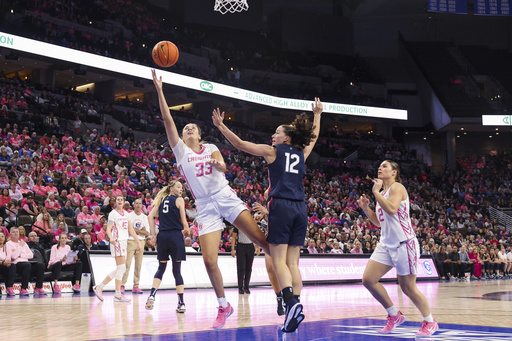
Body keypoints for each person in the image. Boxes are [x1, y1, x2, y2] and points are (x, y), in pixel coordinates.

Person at [152, 69, 269, 329]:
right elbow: (167, 119)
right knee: (209, 260)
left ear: (199, 135)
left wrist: (219, 165)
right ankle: (223, 305)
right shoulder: (181, 152)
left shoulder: (212, 147)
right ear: (181, 138)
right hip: (205, 206)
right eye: (185, 129)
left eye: (192, 127)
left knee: (262, 241)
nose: (188, 128)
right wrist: (160, 91)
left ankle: (284, 292)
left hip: (224, 195)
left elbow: (225, 168)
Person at [212, 97, 323, 332]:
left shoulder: (273, 152)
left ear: (287, 137)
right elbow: (313, 137)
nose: (273, 136)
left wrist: (222, 126)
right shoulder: (302, 152)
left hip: (281, 206)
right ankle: (296, 307)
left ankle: (290, 302)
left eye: (277, 132)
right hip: (300, 209)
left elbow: (241, 144)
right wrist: (318, 115)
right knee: (293, 263)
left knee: (278, 259)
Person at [357, 160, 438, 337]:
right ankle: (394, 314)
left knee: (408, 288)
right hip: (385, 244)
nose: (380, 167)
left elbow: (392, 209)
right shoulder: (383, 193)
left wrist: (376, 193)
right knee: (369, 280)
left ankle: (430, 321)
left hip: (404, 243)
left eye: (385, 166)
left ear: (394, 172)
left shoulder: (397, 187)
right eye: (379, 165)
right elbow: (379, 222)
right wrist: (365, 208)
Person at [145, 180, 190, 312]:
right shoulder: (179, 200)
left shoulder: (161, 200)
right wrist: (187, 229)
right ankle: (181, 303)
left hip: (162, 236)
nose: (181, 190)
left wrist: (154, 235)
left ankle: (152, 295)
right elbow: (184, 221)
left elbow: (150, 216)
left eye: (181, 188)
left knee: (161, 267)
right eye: (178, 187)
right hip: (175, 236)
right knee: (177, 271)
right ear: (171, 189)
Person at [93, 196, 143, 302]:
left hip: (124, 241)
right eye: (118, 200)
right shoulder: (113, 213)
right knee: (121, 267)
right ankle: (116, 294)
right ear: (115, 202)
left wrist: (138, 241)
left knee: (121, 268)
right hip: (117, 241)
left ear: (124, 202)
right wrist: (111, 238)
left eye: (121, 200)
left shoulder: (126, 214)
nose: (120, 201)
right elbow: (108, 229)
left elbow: (131, 229)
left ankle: (100, 287)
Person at [6, 227, 47, 295]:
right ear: (10, 234)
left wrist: (20, 255)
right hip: (16, 265)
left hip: (27, 264)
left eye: (17, 232)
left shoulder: (23, 243)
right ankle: (23, 288)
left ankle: (38, 288)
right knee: (26, 265)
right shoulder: (8, 244)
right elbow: (13, 257)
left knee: (41, 265)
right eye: (13, 232)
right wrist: (20, 247)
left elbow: (31, 255)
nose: (16, 233)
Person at [121, 198, 149, 295]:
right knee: (127, 264)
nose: (138, 205)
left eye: (139, 203)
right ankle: (122, 285)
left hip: (141, 242)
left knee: (138, 265)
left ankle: (136, 285)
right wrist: (140, 230)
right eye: (136, 203)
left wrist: (135, 231)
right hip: (130, 241)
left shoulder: (144, 217)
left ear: (142, 205)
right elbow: (128, 230)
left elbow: (146, 232)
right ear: (133, 205)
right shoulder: (129, 216)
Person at [232, 227, 259, 294]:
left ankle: (246, 287)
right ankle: (240, 287)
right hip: (241, 246)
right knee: (241, 268)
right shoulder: (237, 224)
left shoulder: (251, 223)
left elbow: (257, 236)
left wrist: (258, 247)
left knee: (249, 268)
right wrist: (232, 249)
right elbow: (234, 237)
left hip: (250, 246)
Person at [0, 230, 16, 296]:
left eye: (2, 236)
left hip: (4, 265)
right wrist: (3, 263)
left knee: (12, 266)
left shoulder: (7, 246)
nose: (0, 238)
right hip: (1, 264)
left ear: (5, 238)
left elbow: (9, 255)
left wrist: (8, 261)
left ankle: (9, 287)